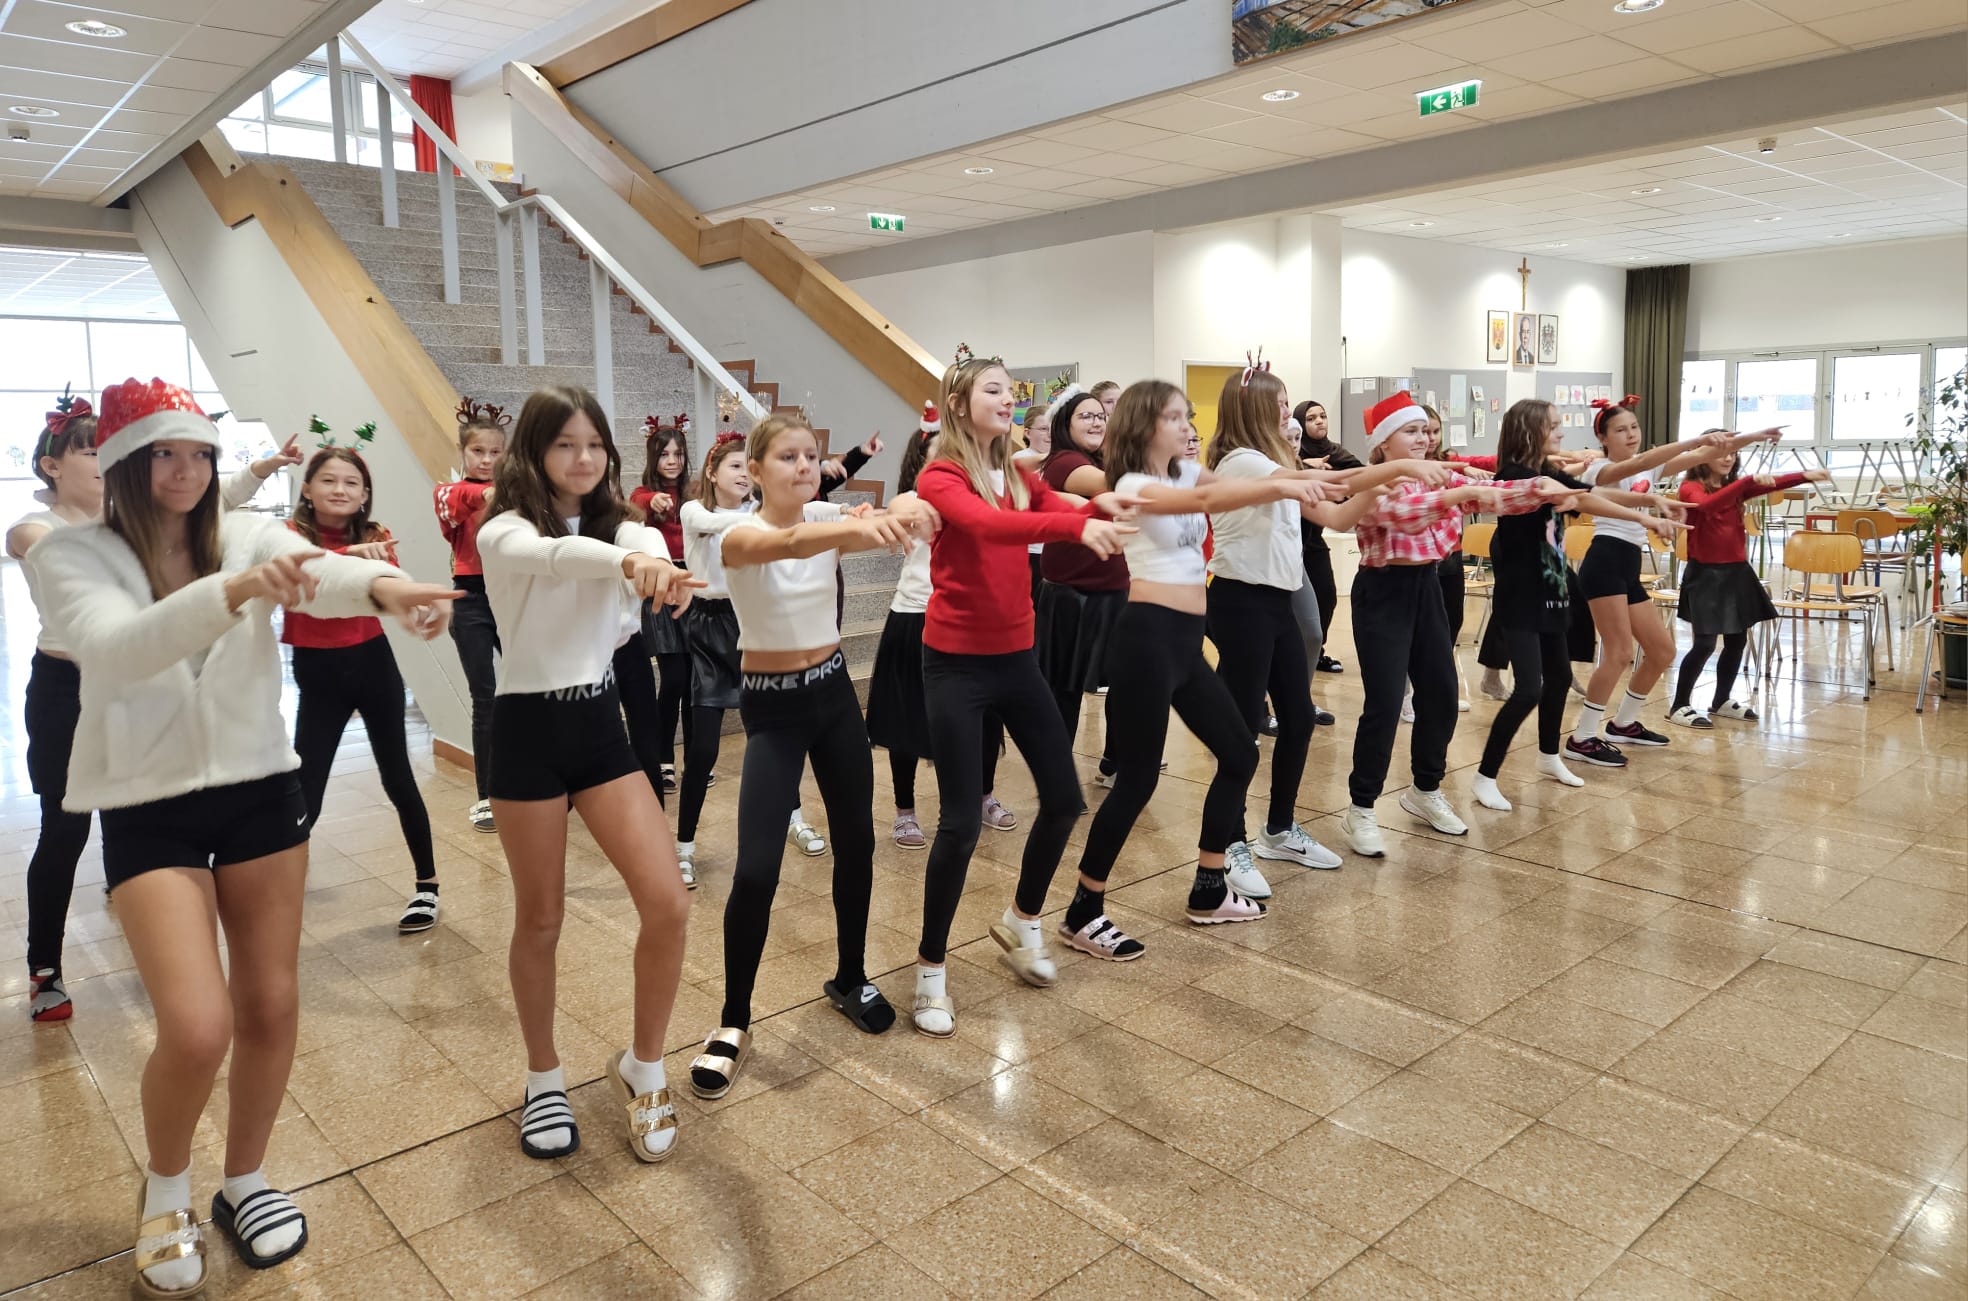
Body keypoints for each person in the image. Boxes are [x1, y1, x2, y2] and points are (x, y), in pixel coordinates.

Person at [32, 379, 457, 1296]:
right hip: (148, 800)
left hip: (261, 787)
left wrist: (391, 589)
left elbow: (318, 571)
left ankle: (246, 1177)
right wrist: (235, 590)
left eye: (199, 454)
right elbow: (114, 646)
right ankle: (167, 1184)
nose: (186, 471)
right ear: (125, 462)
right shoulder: (70, 554)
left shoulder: (248, 532)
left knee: (269, 1002)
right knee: (196, 1026)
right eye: (164, 453)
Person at [476, 384, 700, 1167]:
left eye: (595, 444)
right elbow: (557, 557)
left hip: (600, 728)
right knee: (540, 918)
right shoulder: (503, 529)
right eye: (565, 443)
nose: (583, 458)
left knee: (668, 901)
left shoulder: (627, 523)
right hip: (527, 734)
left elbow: (645, 547)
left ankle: (645, 1063)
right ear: (534, 451)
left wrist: (654, 559)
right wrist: (632, 561)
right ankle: (543, 1076)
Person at [686, 415, 939, 1097]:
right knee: (756, 870)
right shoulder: (736, 535)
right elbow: (795, 541)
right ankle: (734, 1019)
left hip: (832, 697)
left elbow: (878, 513)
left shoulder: (826, 513)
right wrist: (861, 526)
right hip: (772, 711)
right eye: (787, 457)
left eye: (810, 456)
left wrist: (892, 512)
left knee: (857, 842)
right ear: (755, 471)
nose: (803, 466)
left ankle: (851, 976)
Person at [1059, 378, 1333, 954]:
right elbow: (1215, 501)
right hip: (1146, 641)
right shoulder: (1132, 483)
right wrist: (1290, 480)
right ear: (1144, 425)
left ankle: (1209, 887)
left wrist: (1384, 475)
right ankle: (1083, 910)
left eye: (1187, 416)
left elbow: (1234, 489)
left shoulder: (1184, 471)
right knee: (1137, 780)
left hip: (1184, 646)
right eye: (1174, 417)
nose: (1187, 427)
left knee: (1239, 754)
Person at [909, 353, 1134, 1036]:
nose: (1009, 399)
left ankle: (1021, 920)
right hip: (955, 665)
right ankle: (930, 970)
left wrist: (1099, 505)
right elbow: (986, 526)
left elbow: (1052, 502)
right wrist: (1077, 525)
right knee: (960, 824)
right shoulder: (942, 474)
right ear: (959, 402)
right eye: (995, 390)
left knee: (1064, 800)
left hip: (1016, 659)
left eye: (1011, 390)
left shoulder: (1012, 471)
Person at [1341, 392, 1568, 858]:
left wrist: (1540, 489)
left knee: (1442, 695)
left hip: (1426, 588)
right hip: (1383, 592)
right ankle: (1361, 807)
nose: (1423, 438)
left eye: (1425, 431)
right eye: (1411, 431)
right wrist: (1460, 493)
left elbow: (1497, 495)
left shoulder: (1438, 475)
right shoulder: (1374, 482)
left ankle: (1425, 789)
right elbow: (1405, 515)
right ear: (1383, 443)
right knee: (1385, 703)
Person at [1207, 369, 1384, 887]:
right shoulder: (1242, 461)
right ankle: (1229, 842)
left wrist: (1383, 483)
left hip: (1277, 600)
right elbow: (1331, 485)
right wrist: (1394, 468)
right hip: (1241, 602)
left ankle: (1279, 830)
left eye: (1289, 403)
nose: (1290, 414)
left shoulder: (1277, 461)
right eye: (1281, 404)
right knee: (1241, 732)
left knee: (1298, 719)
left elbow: (1337, 517)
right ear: (1255, 410)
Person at [1469, 401, 1677, 813]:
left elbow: (1592, 494)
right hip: (1520, 596)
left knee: (1560, 677)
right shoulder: (1517, 475)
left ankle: (1549, 756)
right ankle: (1485, 776)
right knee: (1529, 689)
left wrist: (1650, 507)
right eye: (1553, 426)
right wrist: (1646, 516)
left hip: (1551, 588)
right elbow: (1585, 498)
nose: (1561, 433)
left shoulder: (1546, 471)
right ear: (1530, 431)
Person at [283, 446, 442, 933]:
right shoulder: (288, 535)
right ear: (307, 489)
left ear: (365, 495)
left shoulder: (376, 537)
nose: (340, 490)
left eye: (351, 482)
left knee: (399, 778)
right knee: (306, 786)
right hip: (318, 671)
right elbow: (304, 573)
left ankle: (427, 886)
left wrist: (415, 599)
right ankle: (277, 889)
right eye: (328, 480)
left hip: (373, 664)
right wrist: (349, 556)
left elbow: (389, 581)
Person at [1566, 400, 1776, 766]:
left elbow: (1703, 453)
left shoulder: (1647, 464)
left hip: (1627, 565)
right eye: (1620, 430)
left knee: (1662, 651)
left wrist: (1752, 436)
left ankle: (1623, 724)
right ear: (1602, 438)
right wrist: (1694, 441)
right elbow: (1644, 463)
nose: (1631, 434)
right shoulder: (1599, 469)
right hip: (1604, 563)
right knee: (1619, 653)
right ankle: (1582, 737)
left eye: (1634, 427)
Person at [866, 424, 1017, 848]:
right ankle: (905, 811)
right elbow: (903, 510)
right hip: (915, 617)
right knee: (907, 717)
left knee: (987, 716)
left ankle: (984, 795)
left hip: (973, 622)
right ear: (922, 461)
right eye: (943, 450)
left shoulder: (983, 495)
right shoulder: (911, 498)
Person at [10, 392, 102, 1024]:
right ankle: (45, 966)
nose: (106, 462)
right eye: (91, 451)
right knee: (66, 828)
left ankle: (143, 908)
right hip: (64, 690)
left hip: (129, 687)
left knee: (139, 815)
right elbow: (25, 541)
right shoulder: (39, 525)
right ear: (52, 465)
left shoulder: (134, 520)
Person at [1669, 441, 1824, 728]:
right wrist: (1745, 482)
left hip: (1736, 572)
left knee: (1737, 640)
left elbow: (1771, 483)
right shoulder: (1690, 487)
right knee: (1704, 644)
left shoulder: (1734, 487)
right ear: (1702, 456)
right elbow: (1707, 505)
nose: (1728, 458)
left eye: (1732, 453)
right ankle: (1679, 704)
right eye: (1720, 453)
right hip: (1706, 574)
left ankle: (1721, 700)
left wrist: (1805, 475)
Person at [1033, 386, 1129, 783]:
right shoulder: (1064, 462)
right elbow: (1117, 485)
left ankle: (1114, 764)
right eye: (1085, 416)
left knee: (1125, 682)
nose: (1096, 422)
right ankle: (1057, 779)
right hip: (1073, 596)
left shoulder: (1099, 458)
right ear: (1064, 424)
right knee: (1066, 692)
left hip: (1111, 590)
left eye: (1099, 416)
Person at [672, 434, 752, 887]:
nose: (744, 474)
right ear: (712, 472)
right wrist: (764, 521)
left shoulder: (756, 512)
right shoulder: (693, 511)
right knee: (703, 749)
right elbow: (711, 522)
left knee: (771, 735)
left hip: (748, 623)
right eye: (736, 466)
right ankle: (684, 846)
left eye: (750, 467)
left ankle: (793, 817)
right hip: (705, 627)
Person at [433, 398, 508, 832]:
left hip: (512, 594)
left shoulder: (515, 491)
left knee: (535, 687)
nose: (486, 460)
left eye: (496, 452)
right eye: (478, 451)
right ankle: (487, 795)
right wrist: (500, 491)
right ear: (462, 452)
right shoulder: (449, 493)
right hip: (471, 598)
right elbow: (461, 499)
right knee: (485, 697)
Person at [630, 415, 694, 792]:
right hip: (662, 585)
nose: (672, 461)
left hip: (693, 586)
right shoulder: (644, 494)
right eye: (664, 454)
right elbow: (637, 503)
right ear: (653, 458)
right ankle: (663, 757)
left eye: (678, 454)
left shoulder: (695, 494)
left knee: (695, 681)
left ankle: (695, 758)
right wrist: (652, 500)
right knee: (673, 679)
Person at [1293, 398, 1356, 680]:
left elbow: (1359, 472)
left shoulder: (1334, 452)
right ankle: (1297, 654)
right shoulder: (1293, 458)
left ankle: (1315, 652)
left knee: (1327, 595)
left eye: (1322, 416)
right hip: (1291, 540)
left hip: (1313, 538)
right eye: (1311, 418)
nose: (1319, 421)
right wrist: (1305, 466)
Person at [1014, 400, 1050, 603]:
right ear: (1028, 433)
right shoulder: (1021, 458)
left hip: (1050, 547)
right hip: (1031, 550)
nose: (1049, 434)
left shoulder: (1056, 459)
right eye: (1043, 429)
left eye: (1052, 428)